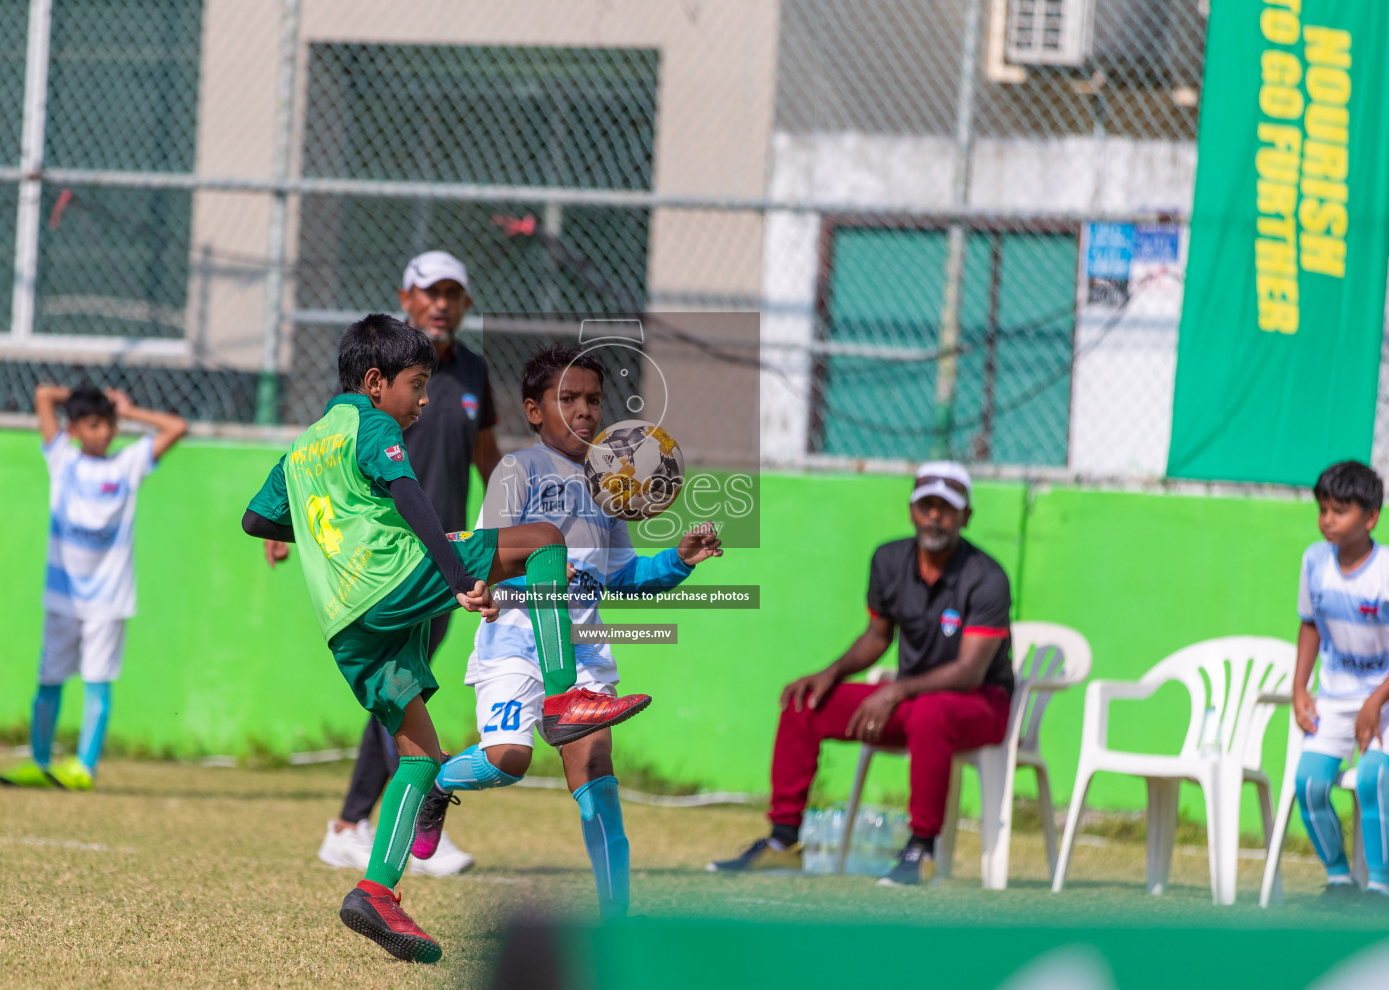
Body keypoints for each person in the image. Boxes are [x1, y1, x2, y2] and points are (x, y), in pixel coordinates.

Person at [239, 314, 651, 962]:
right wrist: (458, 577)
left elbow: (257, 517)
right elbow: (410, 497)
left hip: (346, 628)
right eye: (417, 384)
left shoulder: (303, 446)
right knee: (543, 540)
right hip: (392, 577)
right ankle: (564, 696)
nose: (425, 400)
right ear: (375, 383)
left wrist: (323, 540)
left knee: (419, 756)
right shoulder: (370, 423)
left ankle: (376, 891)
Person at [408, 346, 723, 920]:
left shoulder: (611, 483)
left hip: (581, 656)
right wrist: (542, 565)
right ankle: (438, 783)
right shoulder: (517, 471)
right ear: (533, 411)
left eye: (593, 401)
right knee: (508, 759)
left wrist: (678, 560)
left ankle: (616, 923)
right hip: (516, 643)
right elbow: (486, 558)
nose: (584, 412)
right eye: (567, 400)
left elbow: (624, 578)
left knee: (597, 773)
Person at [709, 461, 1013, 886]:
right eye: (926, 505)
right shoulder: (889, 559)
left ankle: (921, 850)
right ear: (911, 510)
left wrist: (896, 690)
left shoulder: (988, 577)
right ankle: (783, 843)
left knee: (931, 712)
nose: (934, 516)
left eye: (946, 508)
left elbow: (969, 671)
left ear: (966, 516)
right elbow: (876, 635)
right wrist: (829, 673)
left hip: (980, 706)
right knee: (805, 703)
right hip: (911, 699)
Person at [302, 250, 501, 877]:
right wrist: (289, 526)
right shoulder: (381, 372)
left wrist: (503, 516)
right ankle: (412, 829)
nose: (442, 303)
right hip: (393, 564)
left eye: (453, 293)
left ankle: (351, 823)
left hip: (442, 559)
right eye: (430, 292)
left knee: (401, 688)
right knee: (401, 686)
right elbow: (327, 454)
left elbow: (488, 458)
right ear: (406, 297)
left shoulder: (471, 371)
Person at [0, 383, 187, 791]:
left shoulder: (128, 465)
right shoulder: (61, 459)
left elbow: (177, 427)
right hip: (62, 599)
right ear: (75, 429)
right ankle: (40, 762)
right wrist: (89, 395)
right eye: (94, 424)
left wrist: (129, 410)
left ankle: (84, 767)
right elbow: (43, 395)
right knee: (48, 680)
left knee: (97, 683)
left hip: (109, 602)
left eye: (109, 425)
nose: (104, 432)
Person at [1291, 461, 1389, 906]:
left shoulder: (1385, 569)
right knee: (1308, 785)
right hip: (1334, 696)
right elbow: (1309, 625)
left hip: (1384, 698)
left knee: (1373, 780)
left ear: (1370, 517)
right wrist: (1300, 688)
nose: (1327, 520)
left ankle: (1379, 887)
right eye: (1323, 509)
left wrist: (1375, 702)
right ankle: (1338, 880)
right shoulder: (1314, 560)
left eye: (1339, 511)